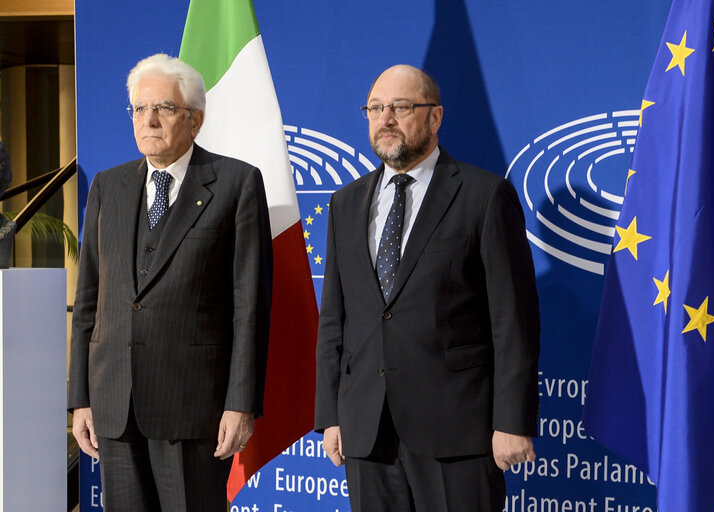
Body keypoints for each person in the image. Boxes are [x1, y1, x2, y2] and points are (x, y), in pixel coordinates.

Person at [314, 64, 541, 512]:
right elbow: (335, 321)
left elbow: (513, 321)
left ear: (434, 118)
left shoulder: (484, 195)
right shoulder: (345, 203)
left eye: (400, 107)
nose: (385, 119)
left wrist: (511, 421)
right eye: (375, 108)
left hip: (457, 434)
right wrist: (331, 416)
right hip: (367, 431)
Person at [68, 54, 273, 511]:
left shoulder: (236, 184)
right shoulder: (107, 186)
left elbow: (249, 306)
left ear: (195, 120)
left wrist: (241, 404)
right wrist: (80, 399)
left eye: (163, 108)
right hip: (114, 407)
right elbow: (88, 303)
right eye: (139, 109)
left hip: (192, 407)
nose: (149, 120)